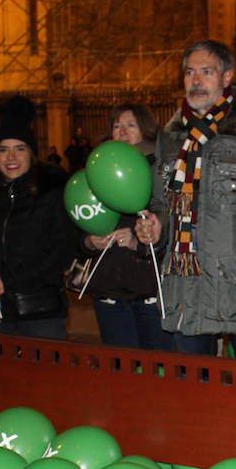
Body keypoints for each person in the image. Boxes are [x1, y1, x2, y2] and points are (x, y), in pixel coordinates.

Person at [134, 40, 236, 356]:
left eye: (206, 72)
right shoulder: (171, 139)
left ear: (227, 77)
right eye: (189, 72)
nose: (195, 81)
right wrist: (157, 226)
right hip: (186, 292)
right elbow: (162, 205)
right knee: (196, 398)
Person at [0, 97, 79, 340]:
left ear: (31, 153)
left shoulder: (51, 191)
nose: (11, 157)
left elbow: (59, 253)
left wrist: (10, 281)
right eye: (2, 149)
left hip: (39, 311)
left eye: (19, 148)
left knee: (42, 377)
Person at [83, 105, 168, 349]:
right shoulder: (97, 170)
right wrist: (89, 240)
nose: (122, 132)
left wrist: (138, 243)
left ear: (146, 129)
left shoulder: (161, 171)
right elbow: (79, 220)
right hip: (110, 292)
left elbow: (169, 231)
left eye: (131, 125)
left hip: (149, 291)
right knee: (120, 372)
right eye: (116, 125)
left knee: (156, 369)